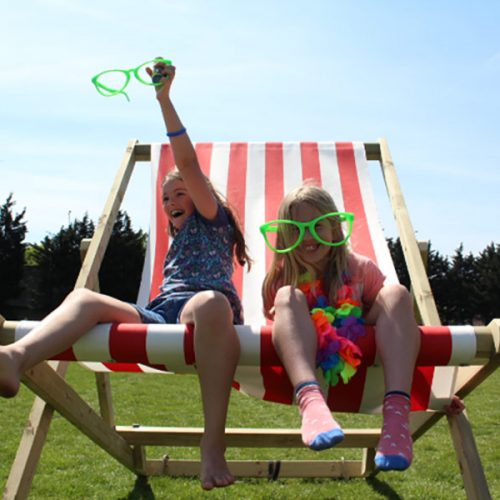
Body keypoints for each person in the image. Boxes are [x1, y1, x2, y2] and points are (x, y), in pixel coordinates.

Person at [0, 60, 251, 490]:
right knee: (84, 299)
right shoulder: (178, 236)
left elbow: (188, 162)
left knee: (210, 302)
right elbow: (152, 306)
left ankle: (213, 445)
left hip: (207, 315)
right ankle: (15, 358)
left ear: (203, 194)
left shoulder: (214, 220)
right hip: (160, 314)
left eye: (180, 192)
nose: (171, 200)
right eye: (165, 196)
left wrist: (164, 99)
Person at [260, 184, 420, 471]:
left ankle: (397, 414)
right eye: (296, 229)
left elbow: (395, 320)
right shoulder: (280, 279)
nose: (306, 236)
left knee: (396, 293)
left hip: (366, 374)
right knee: (288, 297)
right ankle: (309, 402)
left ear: (335, 228)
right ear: (284, 236)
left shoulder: (361, 270)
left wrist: (442, 384)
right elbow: (277, 332)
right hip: (303, 374)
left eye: (317, 226)